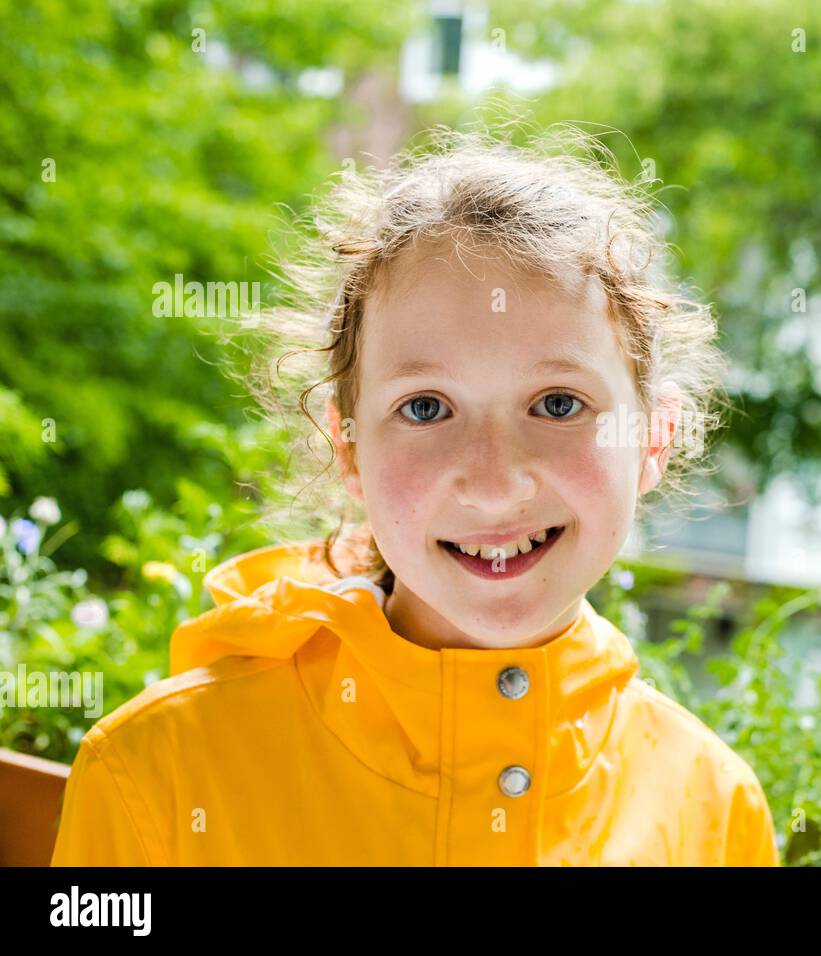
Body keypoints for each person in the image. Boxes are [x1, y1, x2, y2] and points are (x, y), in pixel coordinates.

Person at [50, 124, 780, 866]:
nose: (495, 482)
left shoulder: (715, 813)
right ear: (349, 449)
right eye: (427, 408)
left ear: (654, 436)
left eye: (558, 404)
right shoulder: (157, 773)